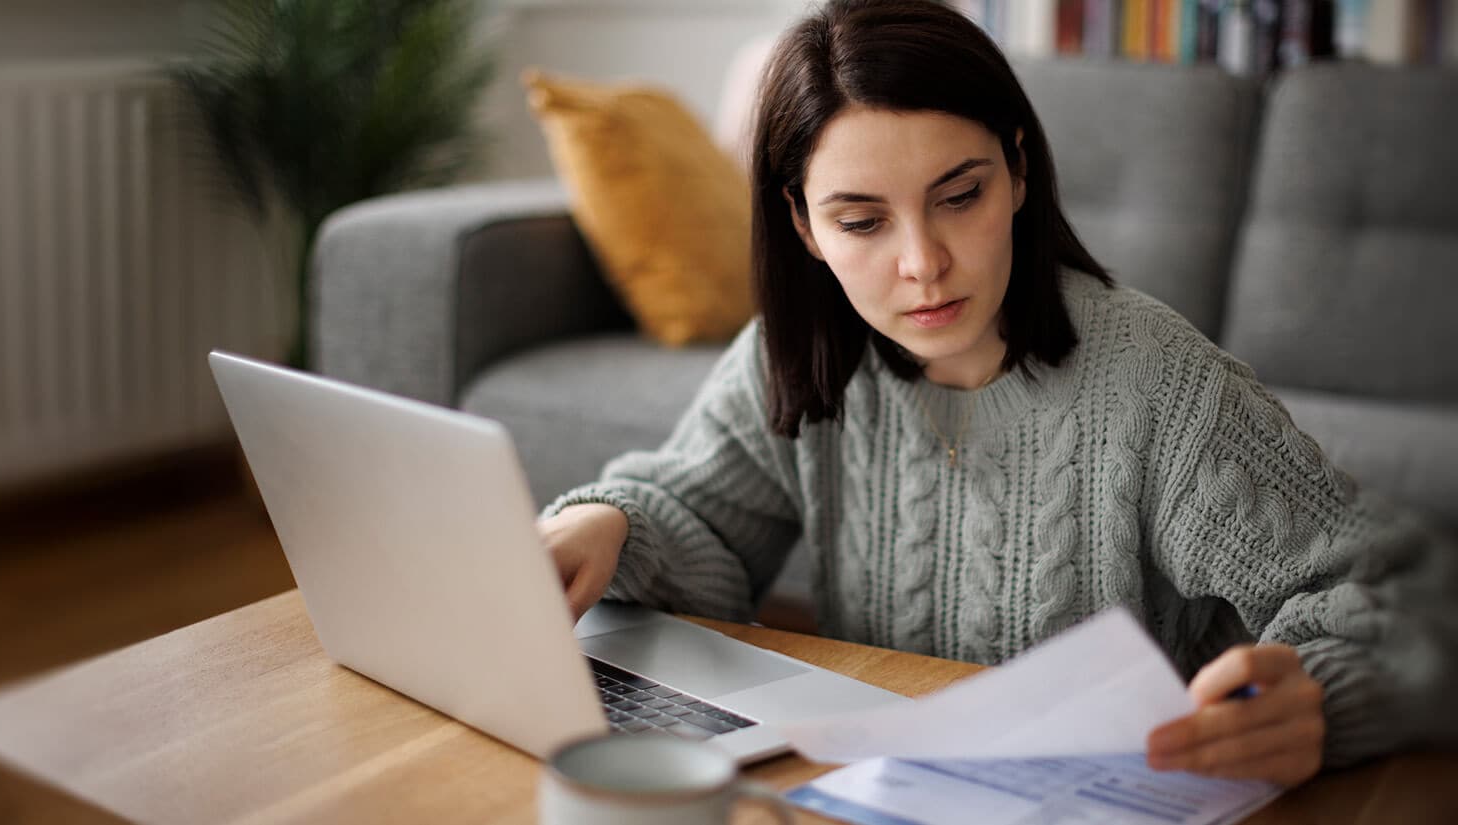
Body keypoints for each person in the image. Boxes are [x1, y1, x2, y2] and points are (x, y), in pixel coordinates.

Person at [536, 0, 1448, 787]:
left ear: (1017, 171)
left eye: (958, 196)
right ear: (804, 225)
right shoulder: (800, 351)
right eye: (860, 219)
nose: (922, 263)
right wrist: (613, 521)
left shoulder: (1160, 385)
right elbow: (697, 514)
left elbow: (1400, 593)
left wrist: (1319, 694)